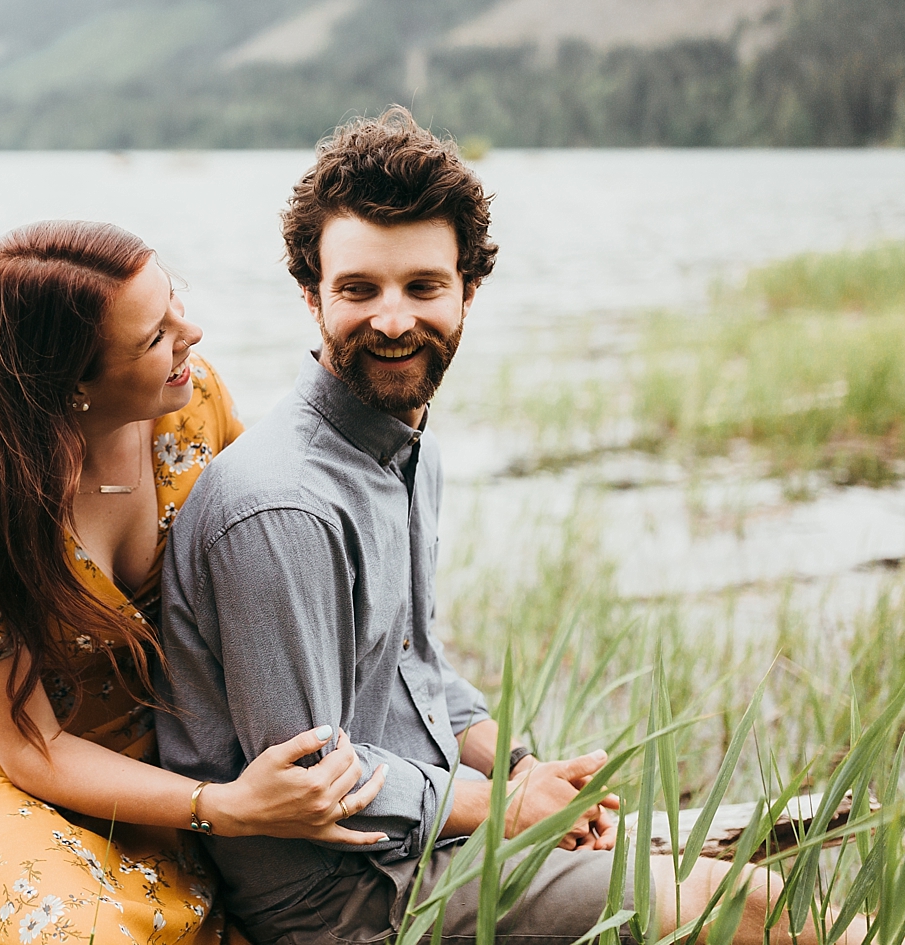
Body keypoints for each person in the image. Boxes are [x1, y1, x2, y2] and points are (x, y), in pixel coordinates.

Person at [154, 109, 867, 945]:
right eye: (359, 289)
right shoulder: (282, 505)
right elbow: (315, 777)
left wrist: (525, 769)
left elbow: (418, 673)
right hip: (341, 896)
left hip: (418, 840)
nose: (392, 320)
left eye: (422, 286)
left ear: (467, 291)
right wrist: (509, 807)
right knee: (750, 902)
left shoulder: (407, 450)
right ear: (311, 296)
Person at [0, 221, 389, 945]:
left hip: (164, 764)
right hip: (1, 767)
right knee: (71, 931)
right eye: (154, 337)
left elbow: (282, 572)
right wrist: (221, 804)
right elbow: (28, 744)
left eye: (176, 304)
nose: (192, 334)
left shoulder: (193, 405)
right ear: (72, 381)